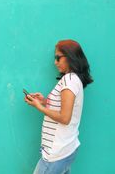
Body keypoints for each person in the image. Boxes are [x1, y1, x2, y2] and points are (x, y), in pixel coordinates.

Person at [24, 39, 93, 174]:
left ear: (70, 57)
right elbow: (64, 108)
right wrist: (44, 101)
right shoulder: (71, 79)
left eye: (58, 58)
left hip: (56, 153)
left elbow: (65, 117)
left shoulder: (69, 80)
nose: (55, 62)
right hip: (65, 149)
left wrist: (40, 107)